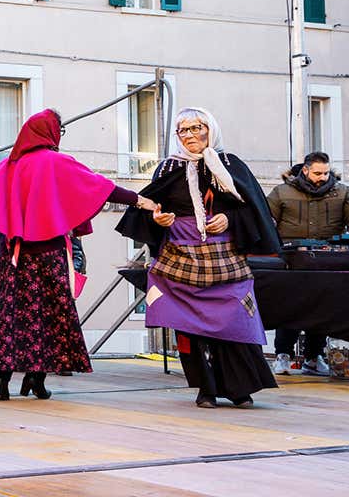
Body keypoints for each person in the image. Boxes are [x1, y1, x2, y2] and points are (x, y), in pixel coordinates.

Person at [0, 109, 155, 401]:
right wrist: (138, 199)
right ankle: (37, 378)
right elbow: (101, 187)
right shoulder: (56, 162)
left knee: (13, 316)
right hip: (48, 253)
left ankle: (0, 380)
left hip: (15, 258)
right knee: (50, 314)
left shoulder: (5, 167)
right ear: (50, 132)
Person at [117, 107, 281, 408]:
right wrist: (160, 218)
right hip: (180, 256)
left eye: (197, 128)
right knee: (189, 327)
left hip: (225, 258)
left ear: (211, 129)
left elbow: (254, 210)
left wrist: (228, 219)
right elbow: (152, 206)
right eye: (184, 130)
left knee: (234, 321)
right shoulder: (167, 168)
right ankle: (205, 389)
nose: (191, 135)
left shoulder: (232, 165)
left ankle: (238, 388)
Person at [264, 150, 349, 376]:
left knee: (322, 308)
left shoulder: (342, 191)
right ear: (306, 170)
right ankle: (283, 356)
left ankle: (313, 357)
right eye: (318, 173)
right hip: (292, 260)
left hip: (327, 260)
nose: (323, 177)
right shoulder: (282, 192)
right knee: (289, 307)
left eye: (326, 173)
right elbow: (265, 216)